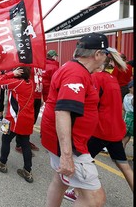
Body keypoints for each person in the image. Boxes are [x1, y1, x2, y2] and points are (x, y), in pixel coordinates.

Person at [40, 32, 110, 207]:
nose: (106, 58)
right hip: (71, 144)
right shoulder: (76, 74)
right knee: (95, 199)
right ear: (97, 54)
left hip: (64, 139)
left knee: (60, 180)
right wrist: (67, 155)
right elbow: (63, 111)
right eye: (106, 54)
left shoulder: (75, 69)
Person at [64, 52, 133, 202]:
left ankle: (74, 191)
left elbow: (90, 103)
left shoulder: (96, 78)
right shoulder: (113, 79)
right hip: (115, 129)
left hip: (100, 130)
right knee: (124, 165)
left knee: (78, 159)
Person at [0, 67, 35, 183]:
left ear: (18, 73)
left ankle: (2, 163)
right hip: (27, 119)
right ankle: (27, 171)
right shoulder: (30, 83)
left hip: (12, 118)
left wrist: (10, 73)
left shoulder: (16, 83)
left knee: (5, 139)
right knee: (25, 145)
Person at [15, 66, 43, 154]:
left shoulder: (40, 65)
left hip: (37, 96)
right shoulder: (28, 62)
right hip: (29, 96)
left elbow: (40, 81)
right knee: (24, 121)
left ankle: (26, 141)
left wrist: (41, 96)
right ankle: (19, 144)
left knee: (32, 121)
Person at [122, 80, 134, 151]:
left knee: (125, 137)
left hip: (127, 119)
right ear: (130, 88)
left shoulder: (126, 96)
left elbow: (123, 108)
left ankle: (121, 152)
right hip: (132, 118)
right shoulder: (132, 98)